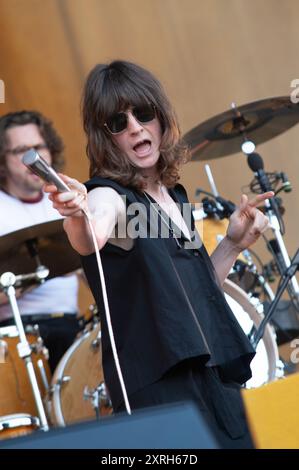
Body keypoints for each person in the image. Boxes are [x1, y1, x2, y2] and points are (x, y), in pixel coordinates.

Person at [45, 61, 272, 448]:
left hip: (213, 372)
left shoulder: (173, 198)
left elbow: (195, 291)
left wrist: (232, 244)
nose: (135, 126)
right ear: (107, 138)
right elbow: (93, 232)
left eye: (143, 113)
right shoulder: (113, 196)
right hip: (161, 390)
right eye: (119, 122)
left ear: (161, 118)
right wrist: (77, 213)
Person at [0, 110, 82, 372]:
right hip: (17, 336)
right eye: (21, 150)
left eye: (38, 147)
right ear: (2, 161)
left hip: (72, 327)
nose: (31, 158)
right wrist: (40, 270)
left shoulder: (65, 198)